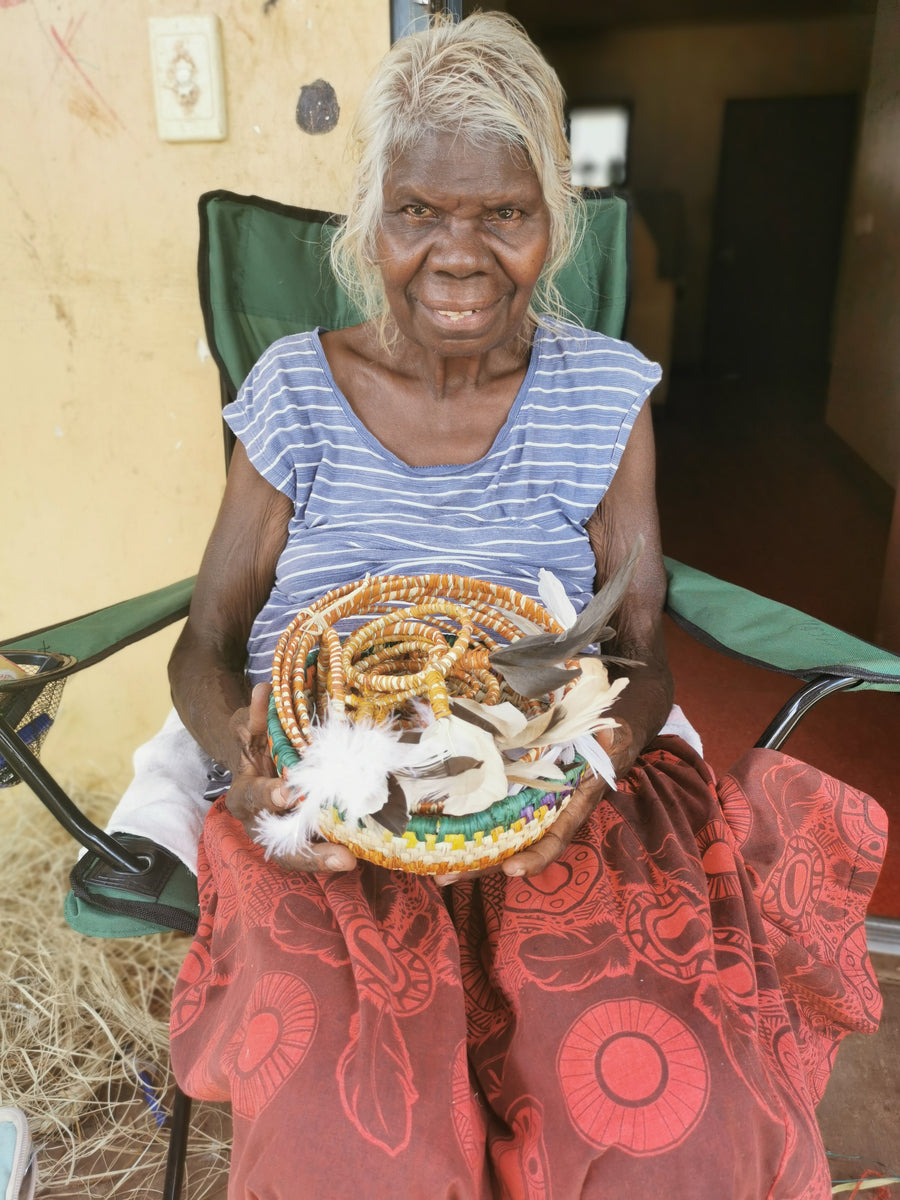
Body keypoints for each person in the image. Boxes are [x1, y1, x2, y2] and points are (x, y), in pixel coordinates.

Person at [167, 13, 885, 1198]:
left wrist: (600, 755)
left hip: (550, 790)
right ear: (371, 220)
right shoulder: (293, 385)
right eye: (419, 214)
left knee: (672, 1109)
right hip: (331, 809)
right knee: (356, 1138)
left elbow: (641, 657)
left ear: (554, 222)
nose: (459, 255)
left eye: (503, 213)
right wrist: (241, 771)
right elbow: (203, 648)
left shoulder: (604, 393)